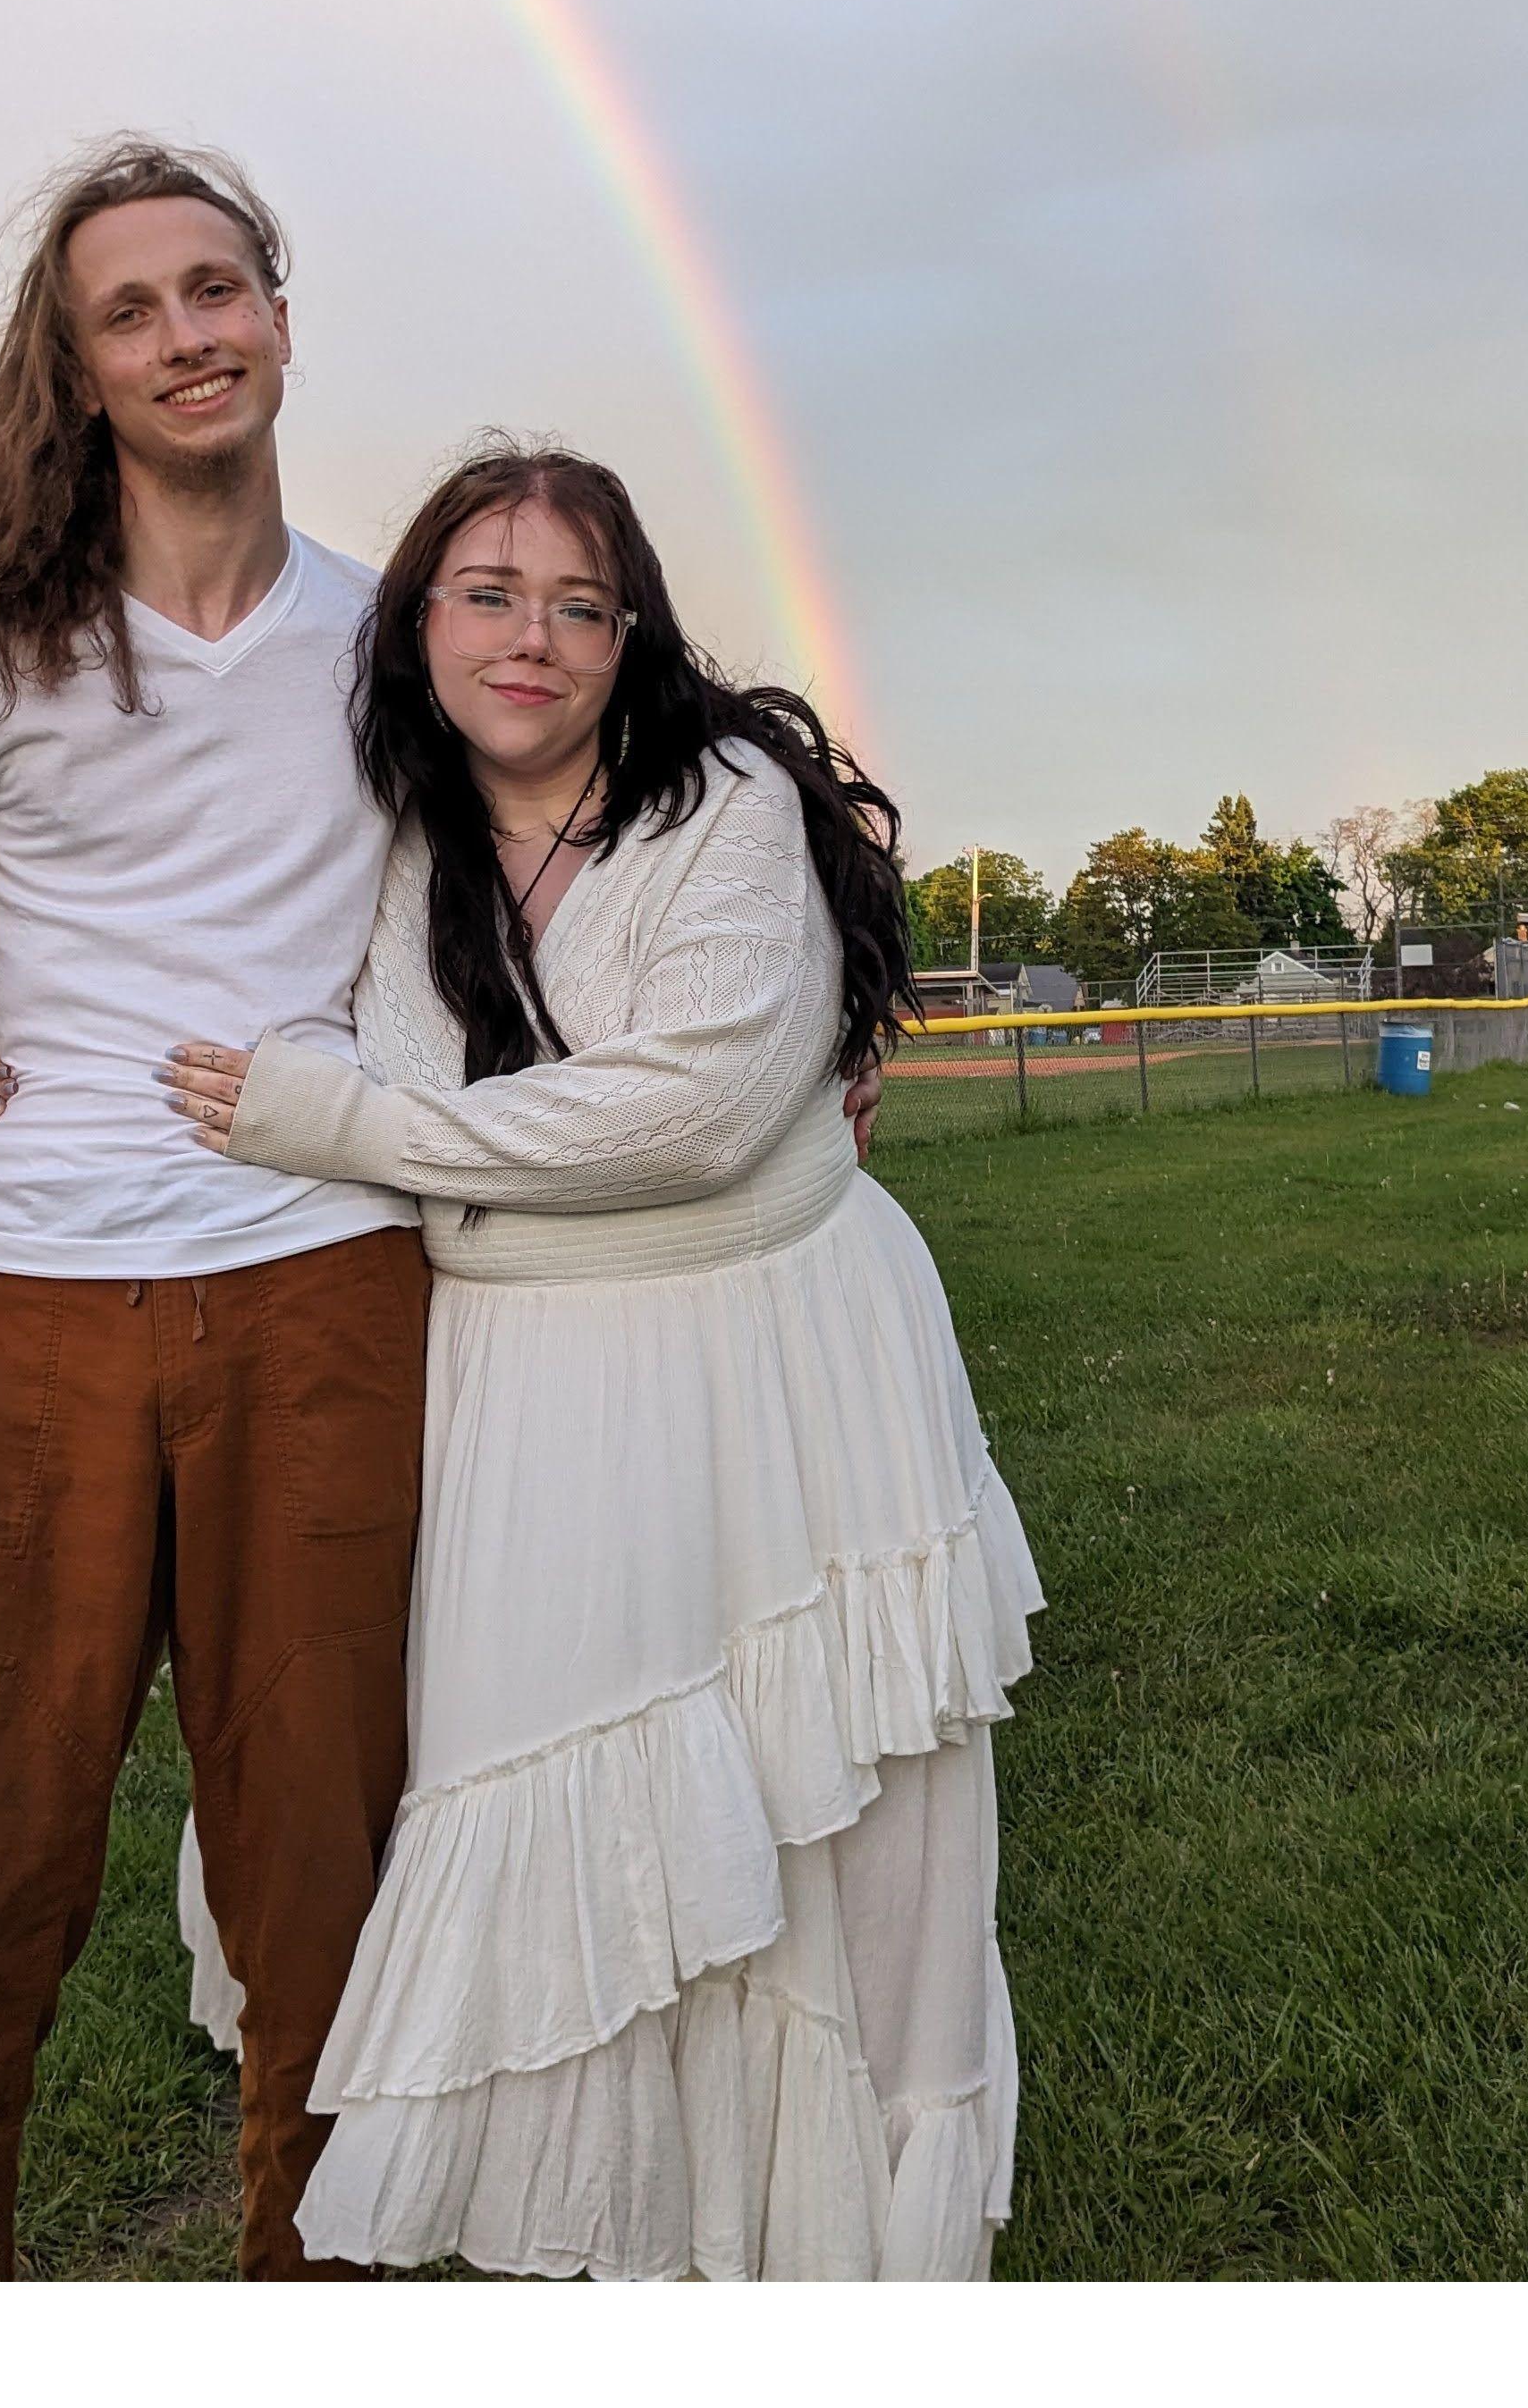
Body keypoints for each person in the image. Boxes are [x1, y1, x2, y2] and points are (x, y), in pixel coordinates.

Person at [150, 447, 1043, 2279]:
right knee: (560, 1798)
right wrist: (10, 1066)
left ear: (633, 635)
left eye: (579, 602)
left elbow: (701, 1113)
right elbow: (204, 1003)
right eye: (487, 592)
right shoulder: (380, 829)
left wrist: (361, 1127)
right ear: (418, 622)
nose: (532, 638)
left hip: (782, 1360)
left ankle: (847, 2238)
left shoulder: (721, 804)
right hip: (527, 1389)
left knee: (837, 1828)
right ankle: (600, 2236)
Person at [0, 135, 435, 2281]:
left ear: (280, 314)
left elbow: (554, 875)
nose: (188, 336)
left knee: (327, 1884)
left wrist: (817, 979)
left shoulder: (392, 637)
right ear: (77, 372)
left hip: (327, 1298)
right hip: (43, 1320)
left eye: (218, 289)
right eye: (132, 310)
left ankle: (316, 2277)